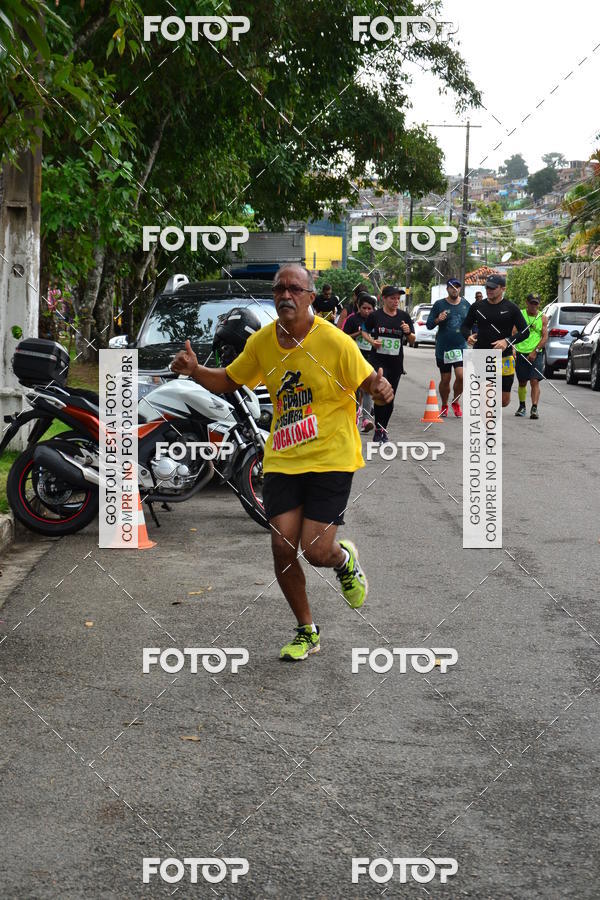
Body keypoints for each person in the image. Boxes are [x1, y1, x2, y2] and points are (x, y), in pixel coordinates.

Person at [171, 264, 393, 661]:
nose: (285, 295)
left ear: (311, 297)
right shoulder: (261, 343)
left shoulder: (335, 341)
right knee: (281, 546)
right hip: (283, 458)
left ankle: (343, 560)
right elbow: (229, 379)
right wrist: (195, 371)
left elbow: (370, 386)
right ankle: (306, 630)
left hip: (331, 458)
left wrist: (379, 389)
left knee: (315, 550)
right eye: (279, 289)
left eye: (294, 288)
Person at [460, 274, 529, 407]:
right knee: (485, 393)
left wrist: (507, 341)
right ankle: (486, 425)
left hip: (504, 357)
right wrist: (467, 336)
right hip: (481, 353)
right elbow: (465, 326)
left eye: (493, 288)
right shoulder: (477, 306)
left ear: (503, 288)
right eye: (487, 287)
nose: (489, 290)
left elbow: (525, 332)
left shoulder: (511, 308)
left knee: (504, 401)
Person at [364, 285, 415, 442]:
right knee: (381, 395)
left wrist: (408, 332)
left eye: (398, 298)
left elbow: (413, 339)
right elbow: (364, 331)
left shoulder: (404, 317)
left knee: (390, 399)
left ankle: (382, 428)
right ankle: (379, 430)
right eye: (392, 298)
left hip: (395, 363)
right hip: (378, 362)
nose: (395, 301)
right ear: (383, 299)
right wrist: (372, 341)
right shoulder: (375, 316)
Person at [426, 278, 470, 417]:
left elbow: (472, 323)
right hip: (443, 348)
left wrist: (473, 335)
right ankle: (444, 404)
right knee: (445, 379)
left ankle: (456, 402)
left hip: (460, 347)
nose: (454, 289)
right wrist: (438, 319)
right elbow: (429, 325)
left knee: (461, 376)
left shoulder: (465, 304)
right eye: (452, 287)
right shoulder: (439, 304)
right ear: (447, 289)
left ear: (460, 289)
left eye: (457, 287)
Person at [343, 291, 377, 431]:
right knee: (355, 389)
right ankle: (353, 417)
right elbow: (343, 338)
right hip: (355, 357)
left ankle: (366, 420)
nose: (367, 311)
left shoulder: (376, 319)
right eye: (364, 308)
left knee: (368, 390)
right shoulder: (352, 320)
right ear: (358, 307)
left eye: (370, 308)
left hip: (371, 357)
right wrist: (358, 333)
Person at [514, 293, 548, 420]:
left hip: (536, 353)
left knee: (534, 380)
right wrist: (513, 347)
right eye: (531, 303)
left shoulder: (542, 317)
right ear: (526, 303)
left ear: (539, 304)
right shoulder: (520, 314)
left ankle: (534, 408)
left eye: (536, 303)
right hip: (521, 352)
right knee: (522, 381)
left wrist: (536, 350)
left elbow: (545, 336)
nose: (534, 305)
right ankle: (522, 406)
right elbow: (514, 332)